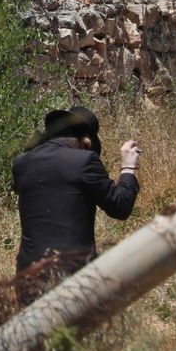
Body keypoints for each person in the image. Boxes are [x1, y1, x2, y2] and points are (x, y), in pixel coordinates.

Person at [12, 106, 140, 285]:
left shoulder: (20, 163)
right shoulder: (85, 161)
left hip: (27, 272)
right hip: (71, 273)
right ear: (86, 142)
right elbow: (120, 207)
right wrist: (128, 168)